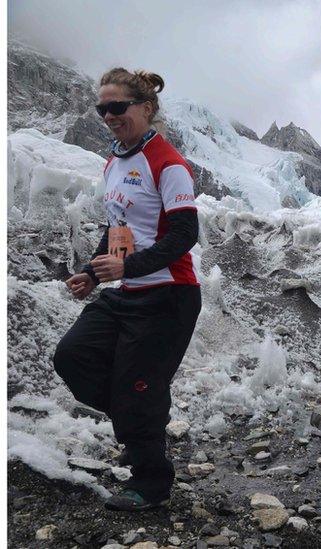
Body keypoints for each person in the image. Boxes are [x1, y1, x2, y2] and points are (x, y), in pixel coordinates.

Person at [53, 68, 201, 512]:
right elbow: (118, 226)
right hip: (125, 292)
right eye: (102, 109)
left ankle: (151, 482)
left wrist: (126, 267)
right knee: (73, 358)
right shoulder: (114, 162)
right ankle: (139, 430)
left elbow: (184, 235)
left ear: (146, 108)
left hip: (168, 296)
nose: (108, 116)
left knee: (137, 389)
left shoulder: (168, 164)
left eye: (117, 107)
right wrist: (94, 273)